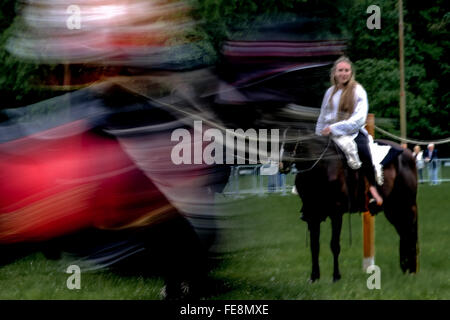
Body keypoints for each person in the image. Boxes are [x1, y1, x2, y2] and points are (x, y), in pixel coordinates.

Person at [315, 56, 383, 206]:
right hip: (331, 136)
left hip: (353, 133)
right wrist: (318, 134)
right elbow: (322, 116)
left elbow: (359, 119)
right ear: (334, 73)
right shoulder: (329, 92)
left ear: (351, 72)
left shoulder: (358, 90)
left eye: (346, 70)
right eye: (340, 70)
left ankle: (372, 188)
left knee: (364, 152)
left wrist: (334, 127)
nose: (343, 73)